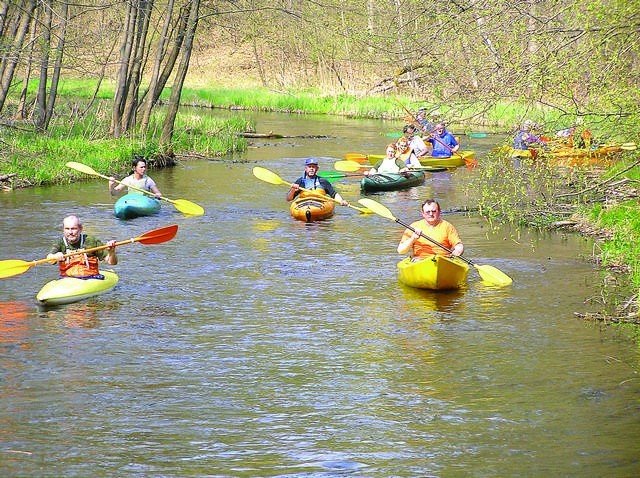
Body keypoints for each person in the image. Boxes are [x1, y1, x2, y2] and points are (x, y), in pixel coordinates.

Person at [46, 215, 118, 278]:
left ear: (80, 229)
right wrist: (55, 256)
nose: (70, 232)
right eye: (67, 229)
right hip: (67, 278)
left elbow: (112, 262)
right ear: (63, 230)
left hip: (91, 277)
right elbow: (49, 259)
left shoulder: (91, 241)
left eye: (73, 229)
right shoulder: (60, 242)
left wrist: (111, 252)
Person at [397, 199, 464, 261]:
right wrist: (413, 238)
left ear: (439, 211)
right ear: (422, 213)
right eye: (428, 212)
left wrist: (459, 249)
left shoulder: (447, 226)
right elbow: (401, 250)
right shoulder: (413, 227)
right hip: (420, 260)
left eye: (434, 211)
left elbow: (458, 244)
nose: (431, 214)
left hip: (443, 260)